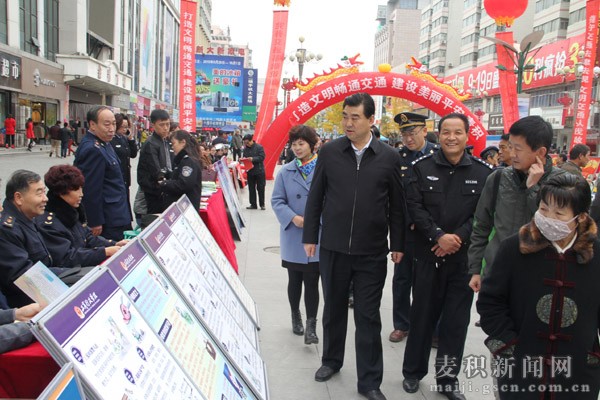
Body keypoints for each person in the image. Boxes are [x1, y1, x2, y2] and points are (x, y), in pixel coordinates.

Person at [303, 92, 405, 400]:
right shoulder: (330, 152)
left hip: (371, 251)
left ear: (371, 120)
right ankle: (331, 361)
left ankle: (370, 381)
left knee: (368, 316)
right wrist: (310, 235)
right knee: (334, 308)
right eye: (345, 116)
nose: (348, 123)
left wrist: (398, 243)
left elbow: (397, 205)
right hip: (334, 247)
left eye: (355, 117)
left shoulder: (389, 157)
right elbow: (316, 196)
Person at [477, 174, 600, 399]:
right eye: (544, 209)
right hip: (522, 366)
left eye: (559, 214)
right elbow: (490, 302)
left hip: (578, 370)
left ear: (581, 217)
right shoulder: (514, 248)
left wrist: (592, 353)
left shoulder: (596, 255)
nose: (548, 218)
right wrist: (509, 346)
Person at [402, 113, 492, 400]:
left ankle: (447, 380)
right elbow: (414, 207)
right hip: (428, 255)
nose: (451, 138)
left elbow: (482, 215)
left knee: (455, 323)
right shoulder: (421, 167)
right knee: (422, 317)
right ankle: (412, 372)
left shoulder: (483, 173)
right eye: (446, 132)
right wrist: (438, 235)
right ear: (438, 135)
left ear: (467, 136)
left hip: (461, 261)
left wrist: (456, 239)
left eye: (457, 132)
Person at [468, 116, 567, 300]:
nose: (511, 154)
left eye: (518, 149)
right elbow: (481, 225)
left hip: (541, 276)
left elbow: (557, 229)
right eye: (510, 147)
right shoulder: (498, 178)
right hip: (498, 271)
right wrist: (475, 269)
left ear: (541, 152)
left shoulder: (563, 183)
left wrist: (533, 188)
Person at [389, 112, 439, 344]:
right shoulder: (398, 158)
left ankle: (428, 327)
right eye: (404, 134)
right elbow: (395, 199)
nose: (408, 139)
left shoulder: (437, 156)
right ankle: (401, 324)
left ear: (424, 131)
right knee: (401, 279)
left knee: (427, 283)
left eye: (412, 133)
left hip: (430, 232)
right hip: (405, 232)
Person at [271, 125, 321, 345]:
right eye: (294, 144)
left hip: (317, 233)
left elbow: (333, 199)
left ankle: (311, 326)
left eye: (301, 143)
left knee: (312, 281)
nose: (297, 148)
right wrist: (293, 218)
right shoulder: (285, 171)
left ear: (312, 144)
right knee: (294, 279)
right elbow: (277, 200)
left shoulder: (324, 168)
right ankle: (295, 316)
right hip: (293, 234)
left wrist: (316, 220)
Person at [0, 171, 80, 307]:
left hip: (43, 282)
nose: (45, 198)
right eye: (39, 193)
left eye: (44, 192)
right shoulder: (7, 229)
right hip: (28, 301)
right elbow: (24, 277)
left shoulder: (27, 218)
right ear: (18, 198)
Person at [39, 165, 125, 269]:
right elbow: (66, 258)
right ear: (61, 192)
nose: (81, 194)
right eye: (76, 190)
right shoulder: (49, 224)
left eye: (81, 188)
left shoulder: (70, 211)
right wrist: (104, 252)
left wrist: (115, 244)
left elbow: (88, 238)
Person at [74, 106, 132, 241]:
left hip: (117, 213)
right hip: (108, 219)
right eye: (107, 124)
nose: (112, 129)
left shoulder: (104, 143)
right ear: (92, 125)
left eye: (114, 124)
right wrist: (94, 221)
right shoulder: (92, 149)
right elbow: (90, 189)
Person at [137, 109, 174, 215]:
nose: (166, 128)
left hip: (163, 188)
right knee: (155, 218)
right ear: (153, 125)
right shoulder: (151, 143)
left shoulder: (164, 140)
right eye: (161, 125)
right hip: (154, 190)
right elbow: (156, 171)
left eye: (167, 124)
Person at [160, 130, 203, 211]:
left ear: (183, 142)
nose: (172, 147)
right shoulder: (183, 159)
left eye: (173, 143)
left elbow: (184, 184)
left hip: (185, 208)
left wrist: (165, 183)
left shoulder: (188, 161)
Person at [111, 113, 138, 189]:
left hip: (126, 177)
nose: (124, 129)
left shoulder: (124, 138)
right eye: (122, 126)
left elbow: (133, 154)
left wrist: (131, 139)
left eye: (126, 127)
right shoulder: (111, 139)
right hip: (116, 177)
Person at [242, 134, 266, 210]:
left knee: (261, 188)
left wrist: (253, 159)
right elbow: (245, 157)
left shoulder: (259, 147)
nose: (247, 144)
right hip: (250, 171)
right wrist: (242, 159)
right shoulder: (245, 149)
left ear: (251, 140)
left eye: (247, 142)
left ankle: (262, 204)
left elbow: (262, 157)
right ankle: (253, 204)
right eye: (245, 143)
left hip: (259, 171)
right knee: (251, 188)